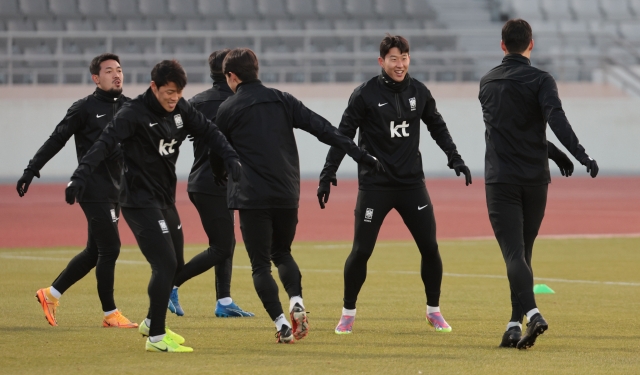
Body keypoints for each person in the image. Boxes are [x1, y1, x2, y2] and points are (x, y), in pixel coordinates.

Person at [66, 60, 242, 353]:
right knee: (164, 264)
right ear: (154, 87)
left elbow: (210, 131)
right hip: (138, 201)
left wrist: (231, 157)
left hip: (164, 199)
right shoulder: (132, 113)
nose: (174, 97)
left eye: (178, 92)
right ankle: (157, 337)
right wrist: (78, 177)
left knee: (177, 263)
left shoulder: (182, 108)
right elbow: (104, 143)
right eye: (168, 92)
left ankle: (151, 320)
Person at [213, 48, 384, 343]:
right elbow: (323, 129)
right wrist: (359, 154)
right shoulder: (283, 99)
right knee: (282, 252)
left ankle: (281, 323)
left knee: (259, 264)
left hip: (251, 197)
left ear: (231, 76)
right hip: (286, 193)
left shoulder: (228, 109)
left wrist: (221, 174)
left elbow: (217, 151)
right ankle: (296, 300)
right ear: (257, 70)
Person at [318, 34, 472, 335]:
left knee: (430, 247)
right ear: (381, 61)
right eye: (393, 58)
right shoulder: (364, 94)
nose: (400, 64)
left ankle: (434, 311)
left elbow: (437, 127)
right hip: (375, 185)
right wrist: (328, 172)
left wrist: (455, 158)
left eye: (404, 57)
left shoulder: (420, 91)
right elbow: (343, 134)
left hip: (412, 184)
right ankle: (348, 313)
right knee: (361, 251)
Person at [478, 19, 599, 350]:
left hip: (501, 179)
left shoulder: (487, 82)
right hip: (534, 180)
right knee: (524, 253)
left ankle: (531, 313)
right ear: (531, 44)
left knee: (514, 254)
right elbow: (553, 119)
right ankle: (513, 326)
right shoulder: (541, 79)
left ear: (502, 46)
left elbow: (507, 130)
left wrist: (558, 153)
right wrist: (576, 154)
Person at [16, 53, 137, 329]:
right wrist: (31, 169)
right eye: (109, 71)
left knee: (94, 252)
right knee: (111, 248)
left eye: (119, 70)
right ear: (96, 78)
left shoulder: (131, 107)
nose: (116, 74)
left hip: (117, 189)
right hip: (92, 188)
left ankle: (50, 294)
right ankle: (110, 313)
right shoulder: (84, 108)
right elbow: (57, 139)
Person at [167, 49, 254, 318]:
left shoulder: (195, 102)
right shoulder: (241, 101)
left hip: (202, 182)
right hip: (214, 184)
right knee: (222, 246)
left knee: (226, 242)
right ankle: (170, 284)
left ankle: (224, 301)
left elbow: (171, 138)